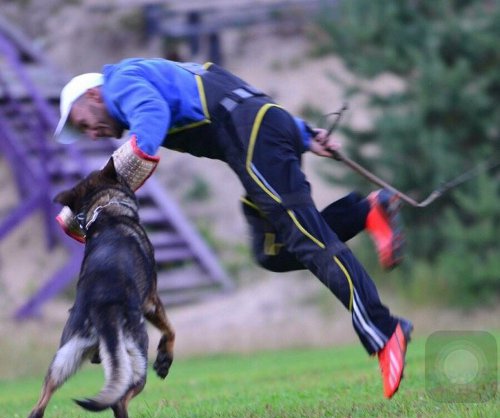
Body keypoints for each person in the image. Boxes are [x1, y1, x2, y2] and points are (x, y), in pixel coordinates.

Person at [54, 58, 412, 399]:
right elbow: (224, 85)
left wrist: (118, 174)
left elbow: (153, 115)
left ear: (93, 95)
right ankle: (368, 211)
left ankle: (384, 330)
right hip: (264, 126)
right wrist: (302, 132)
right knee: (272, 250)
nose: (92, 133)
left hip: (253, 136)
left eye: (83, 123)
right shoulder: (144, 74)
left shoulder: (118, 83)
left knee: (308, 240)